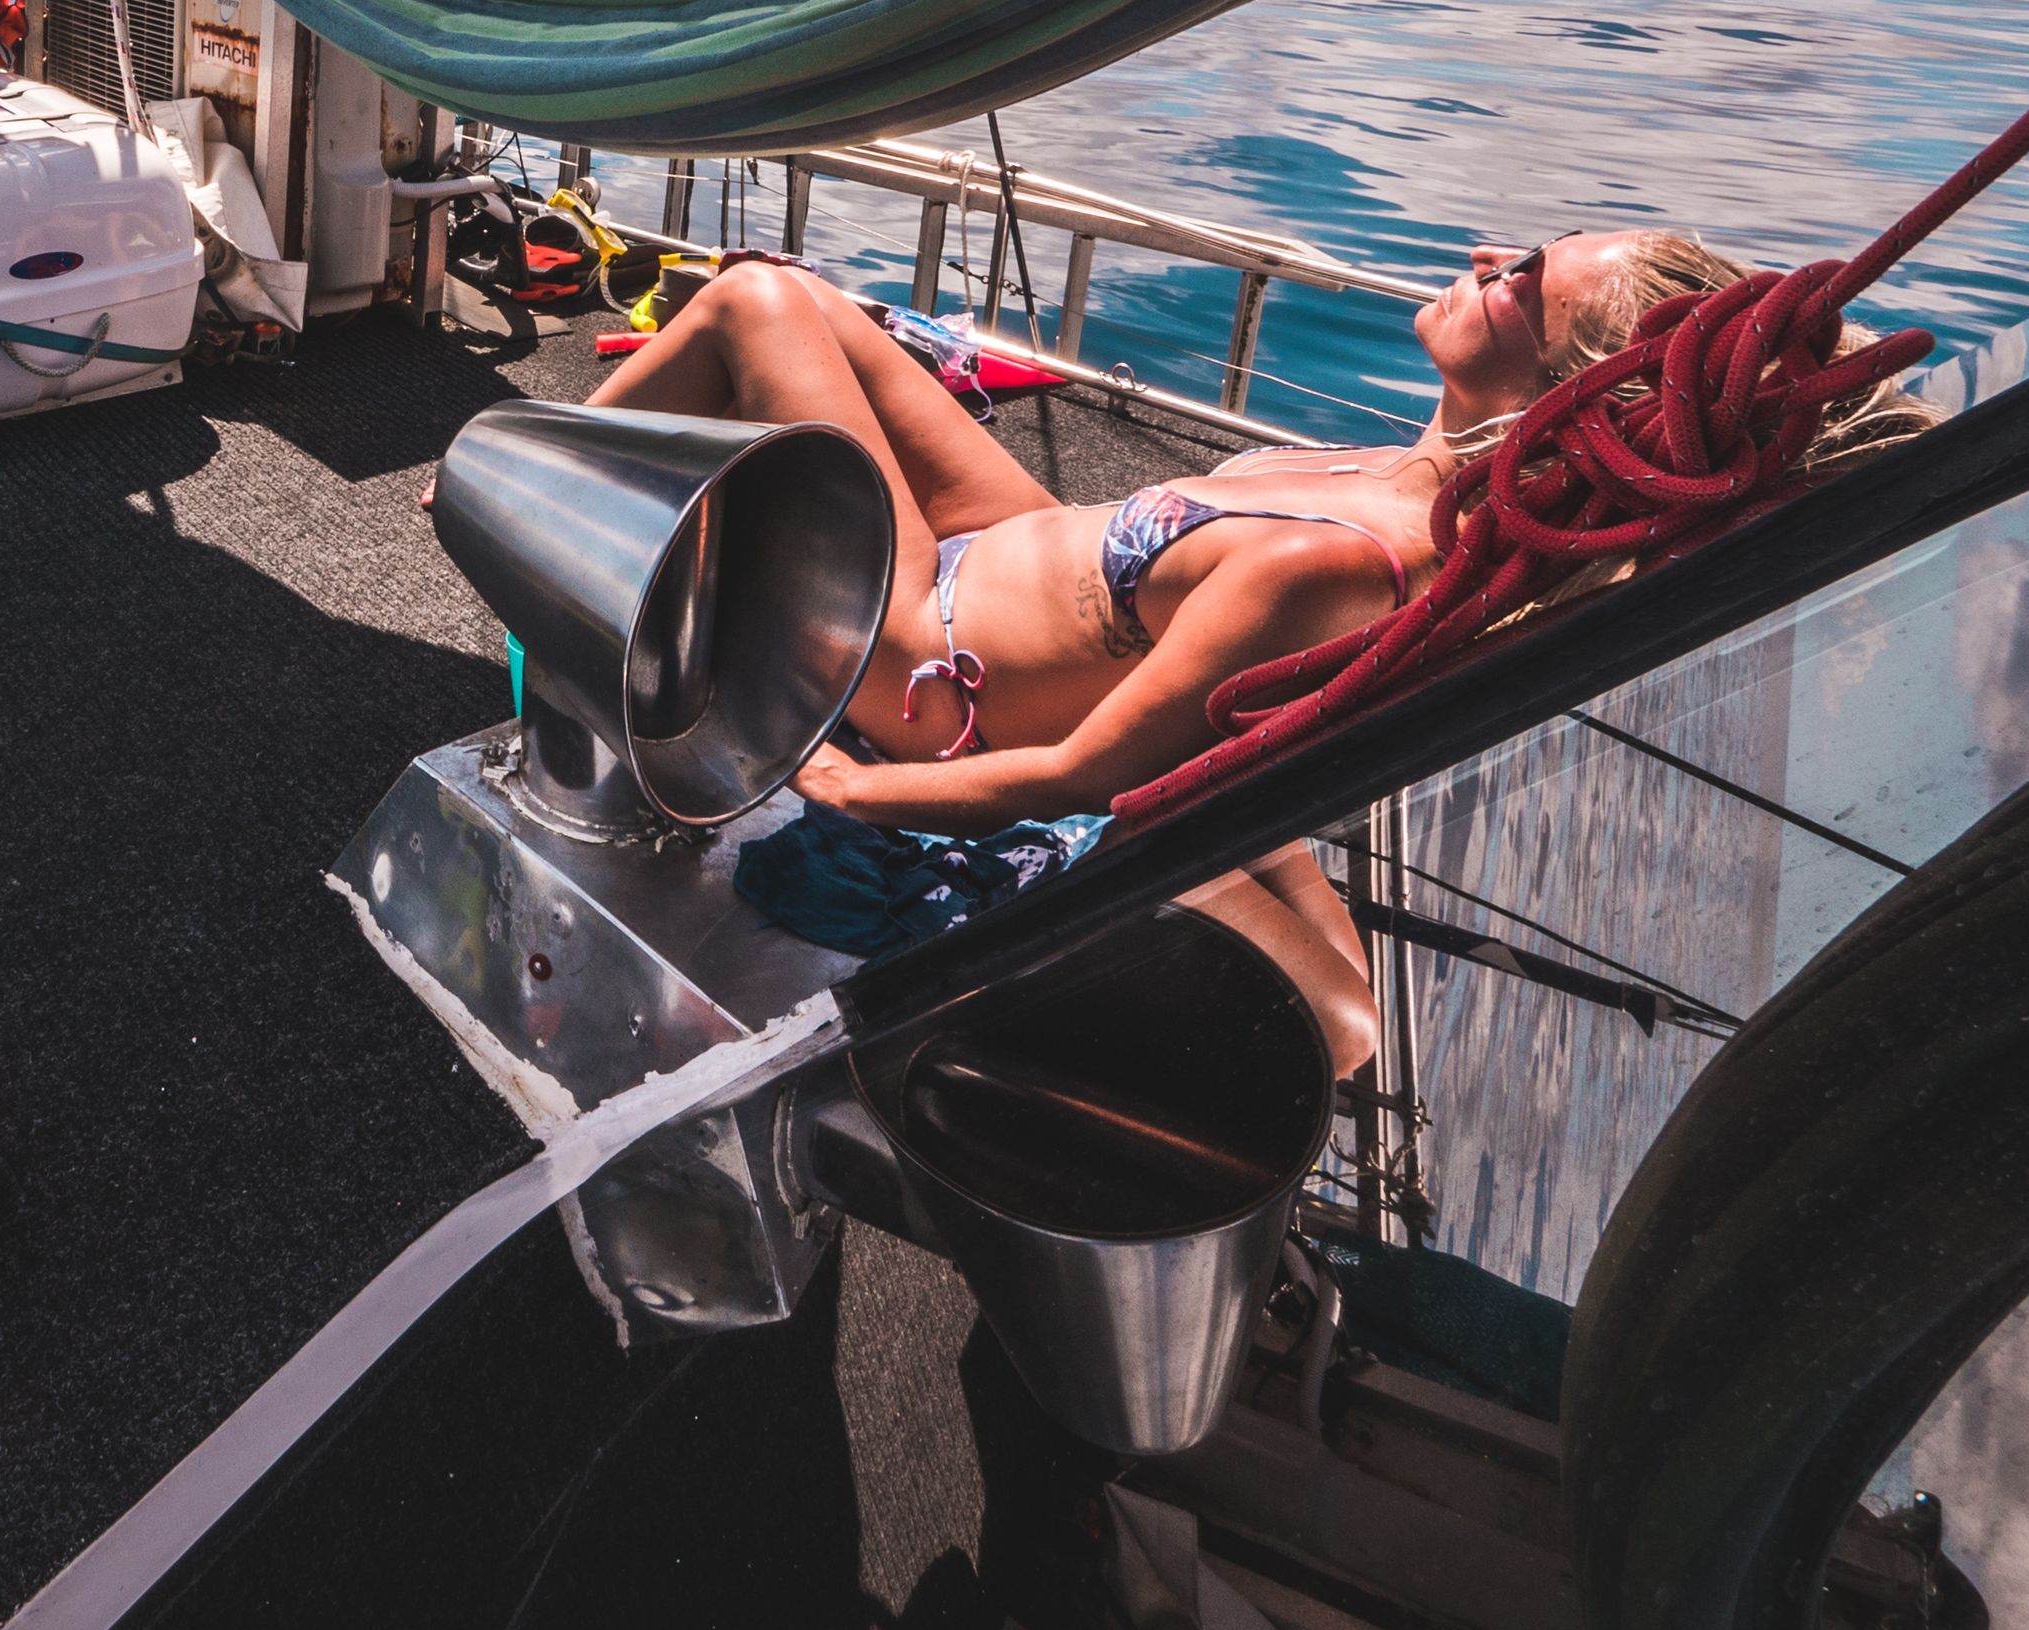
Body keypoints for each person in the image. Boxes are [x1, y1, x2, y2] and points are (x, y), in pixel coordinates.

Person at [592, 233, 1931, 1069]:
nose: (1482, 252)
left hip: (925, 665)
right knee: (826, 306)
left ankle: (524, 480)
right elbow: (1230, 724)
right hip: (1017, 551)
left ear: (1563, 392)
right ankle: (562, 475)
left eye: (1520, 281)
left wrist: (846, 784)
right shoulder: (1377, 478)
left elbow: (1068, 776)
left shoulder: (1339, 566)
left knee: (759, 302)